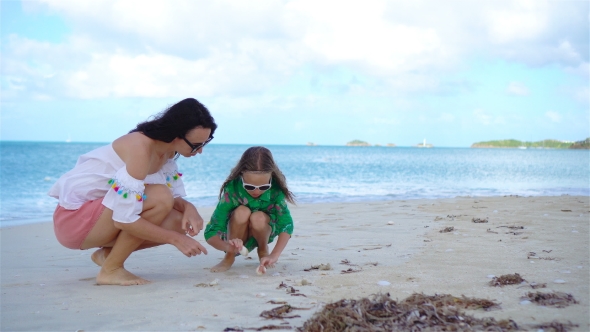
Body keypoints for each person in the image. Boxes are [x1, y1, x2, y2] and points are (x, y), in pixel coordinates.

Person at [48, 98, 216, 286]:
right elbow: (124, 218)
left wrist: (189, 208)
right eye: (195, 145)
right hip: (74, 221)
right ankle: (111, 270)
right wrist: (175, 239)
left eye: (205, 143)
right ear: (175, 134)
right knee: (161, 198)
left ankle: (108, 256)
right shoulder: (140, 147)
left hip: (100, 217)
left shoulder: (167, 151)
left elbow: (170, 197)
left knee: (179, 221)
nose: (200, 151)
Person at [204, 146, 295, 273]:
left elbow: (286, 224)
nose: (257, 191)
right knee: (242, 211)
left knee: (258, 216)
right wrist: (228, 247)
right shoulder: (232, 188)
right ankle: (229, 258)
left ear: (271, 177)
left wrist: (275, 255)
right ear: (241, 175)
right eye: (249, 186)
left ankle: (263, 250)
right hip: (236, 234)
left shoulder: (275, 190)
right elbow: (211, 231)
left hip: (263, 230)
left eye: (264, 186)